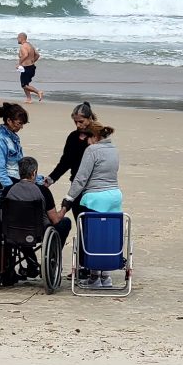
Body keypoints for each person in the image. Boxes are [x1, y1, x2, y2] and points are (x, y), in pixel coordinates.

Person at [62, 121, 122, 288]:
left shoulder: (92, 150)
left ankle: (95, 276)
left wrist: (68, 198)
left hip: (96, 198)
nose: (86, 142)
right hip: (114, 196)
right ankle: (107, 276)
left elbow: (81, 178)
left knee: (93, 236)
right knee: (108, 235)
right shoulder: (114, 150)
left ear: (94, 137)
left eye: (87, 138)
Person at [45, 102, 97, 220]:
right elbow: (65, 162)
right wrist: (51, 179)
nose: (78, 125)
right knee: (81, 224)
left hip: (95, 188)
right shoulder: (73, 137)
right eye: (75, 122)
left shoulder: (97, 136)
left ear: (89, 119)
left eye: (81, 122)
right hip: (76, 186)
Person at [0, 102, 29, 208]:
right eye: (19, 123)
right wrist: (12, 189)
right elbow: (0, 170)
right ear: (9, 121)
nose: (21, 127)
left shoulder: (13, 137)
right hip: (3, 187)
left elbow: (18, 164)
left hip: (16, 182)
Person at [16, 32, 42, 104]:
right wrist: (33, 61)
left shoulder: (23, 46)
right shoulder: (30, 45)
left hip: (26, 68)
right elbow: (37, 55)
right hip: (31, 67)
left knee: (24, 85)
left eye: (18, 38)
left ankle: (38, 92)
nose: (17, 39)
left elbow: (25, 55)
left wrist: (19, 63)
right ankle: (29, 98)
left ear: (21, 38)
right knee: (26, 84)